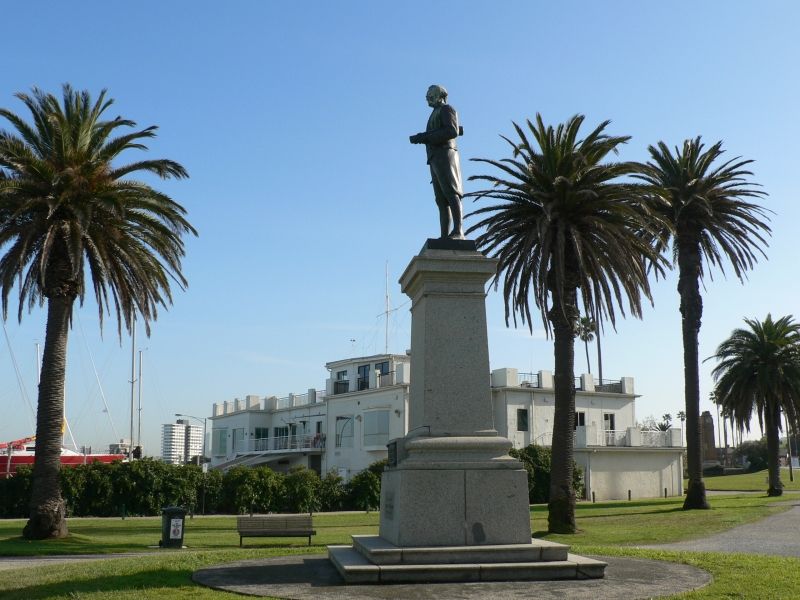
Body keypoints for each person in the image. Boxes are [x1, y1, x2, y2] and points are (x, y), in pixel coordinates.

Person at [409, 85, 464, 239]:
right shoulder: (435, 112)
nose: (427, 98)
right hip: (434, 157)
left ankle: (458, 231)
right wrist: (423, 137)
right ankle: (444, 236)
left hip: (446, 154)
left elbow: (452, 131)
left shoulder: (447, 109)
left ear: (439, 95)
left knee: (451, 192)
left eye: (430, 95)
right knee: (441, 199)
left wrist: (425, 137)